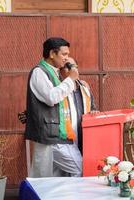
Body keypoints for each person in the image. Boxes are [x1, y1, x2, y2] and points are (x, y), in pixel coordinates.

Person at [23, 37, 97, 177]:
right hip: (53, 137)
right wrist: (71, 79)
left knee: (55, 178)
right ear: (52, 54)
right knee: (80, 169)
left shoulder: (55, 73)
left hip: (62, 135)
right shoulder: (39, 72)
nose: (66, 58)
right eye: (64, 54)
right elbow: (51, 98)